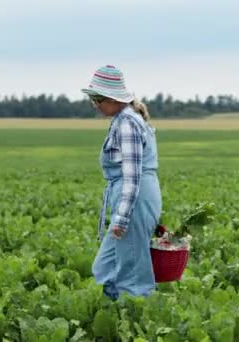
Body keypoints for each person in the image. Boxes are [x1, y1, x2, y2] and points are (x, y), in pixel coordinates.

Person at [82, 65, 162, 300]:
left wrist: (122, 217)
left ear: (113, 98)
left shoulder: (127, 122)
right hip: (134, 199)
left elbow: (132, 175)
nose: (95, 105)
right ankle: (116, 317)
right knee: (104, 268)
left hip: (133, 200)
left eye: (98, 99)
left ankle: (137, 323)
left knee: (132, 274)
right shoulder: (123, 119)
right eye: (93, 99)